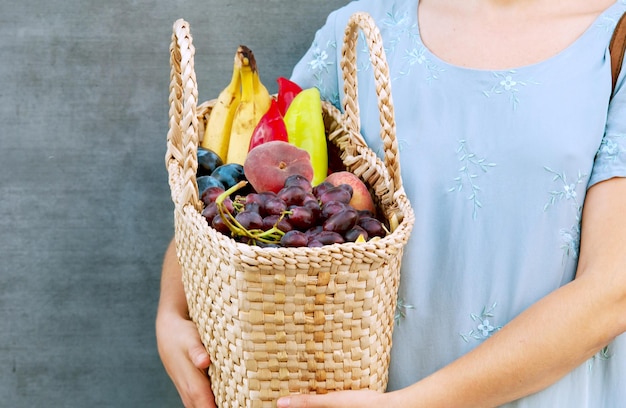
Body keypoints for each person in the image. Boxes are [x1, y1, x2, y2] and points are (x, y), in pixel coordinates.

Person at [156, 0, 626, 406]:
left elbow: (611, 291)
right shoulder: (361, 32)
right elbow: (236, 194)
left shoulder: (614, 41)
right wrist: (170, 313)